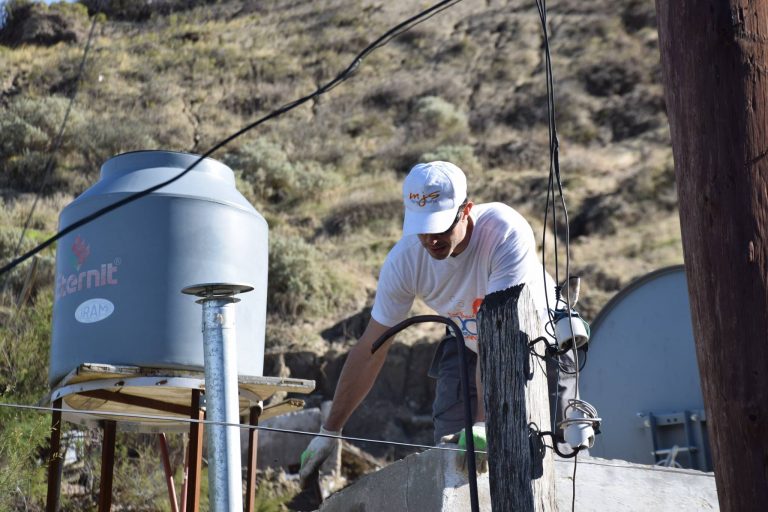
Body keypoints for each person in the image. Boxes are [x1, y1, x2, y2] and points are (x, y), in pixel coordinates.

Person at [299, 161, 575, 484]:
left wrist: (483, 424)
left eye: (441, 227)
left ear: (466, 210)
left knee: (536, 462)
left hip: (537, 344)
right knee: (453, 460)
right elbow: (370, 348)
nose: (431, 239)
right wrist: (330, 430)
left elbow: (497, 338)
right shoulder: (404, 261)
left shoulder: (503, 233)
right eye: (423, 228)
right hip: (468, 341)